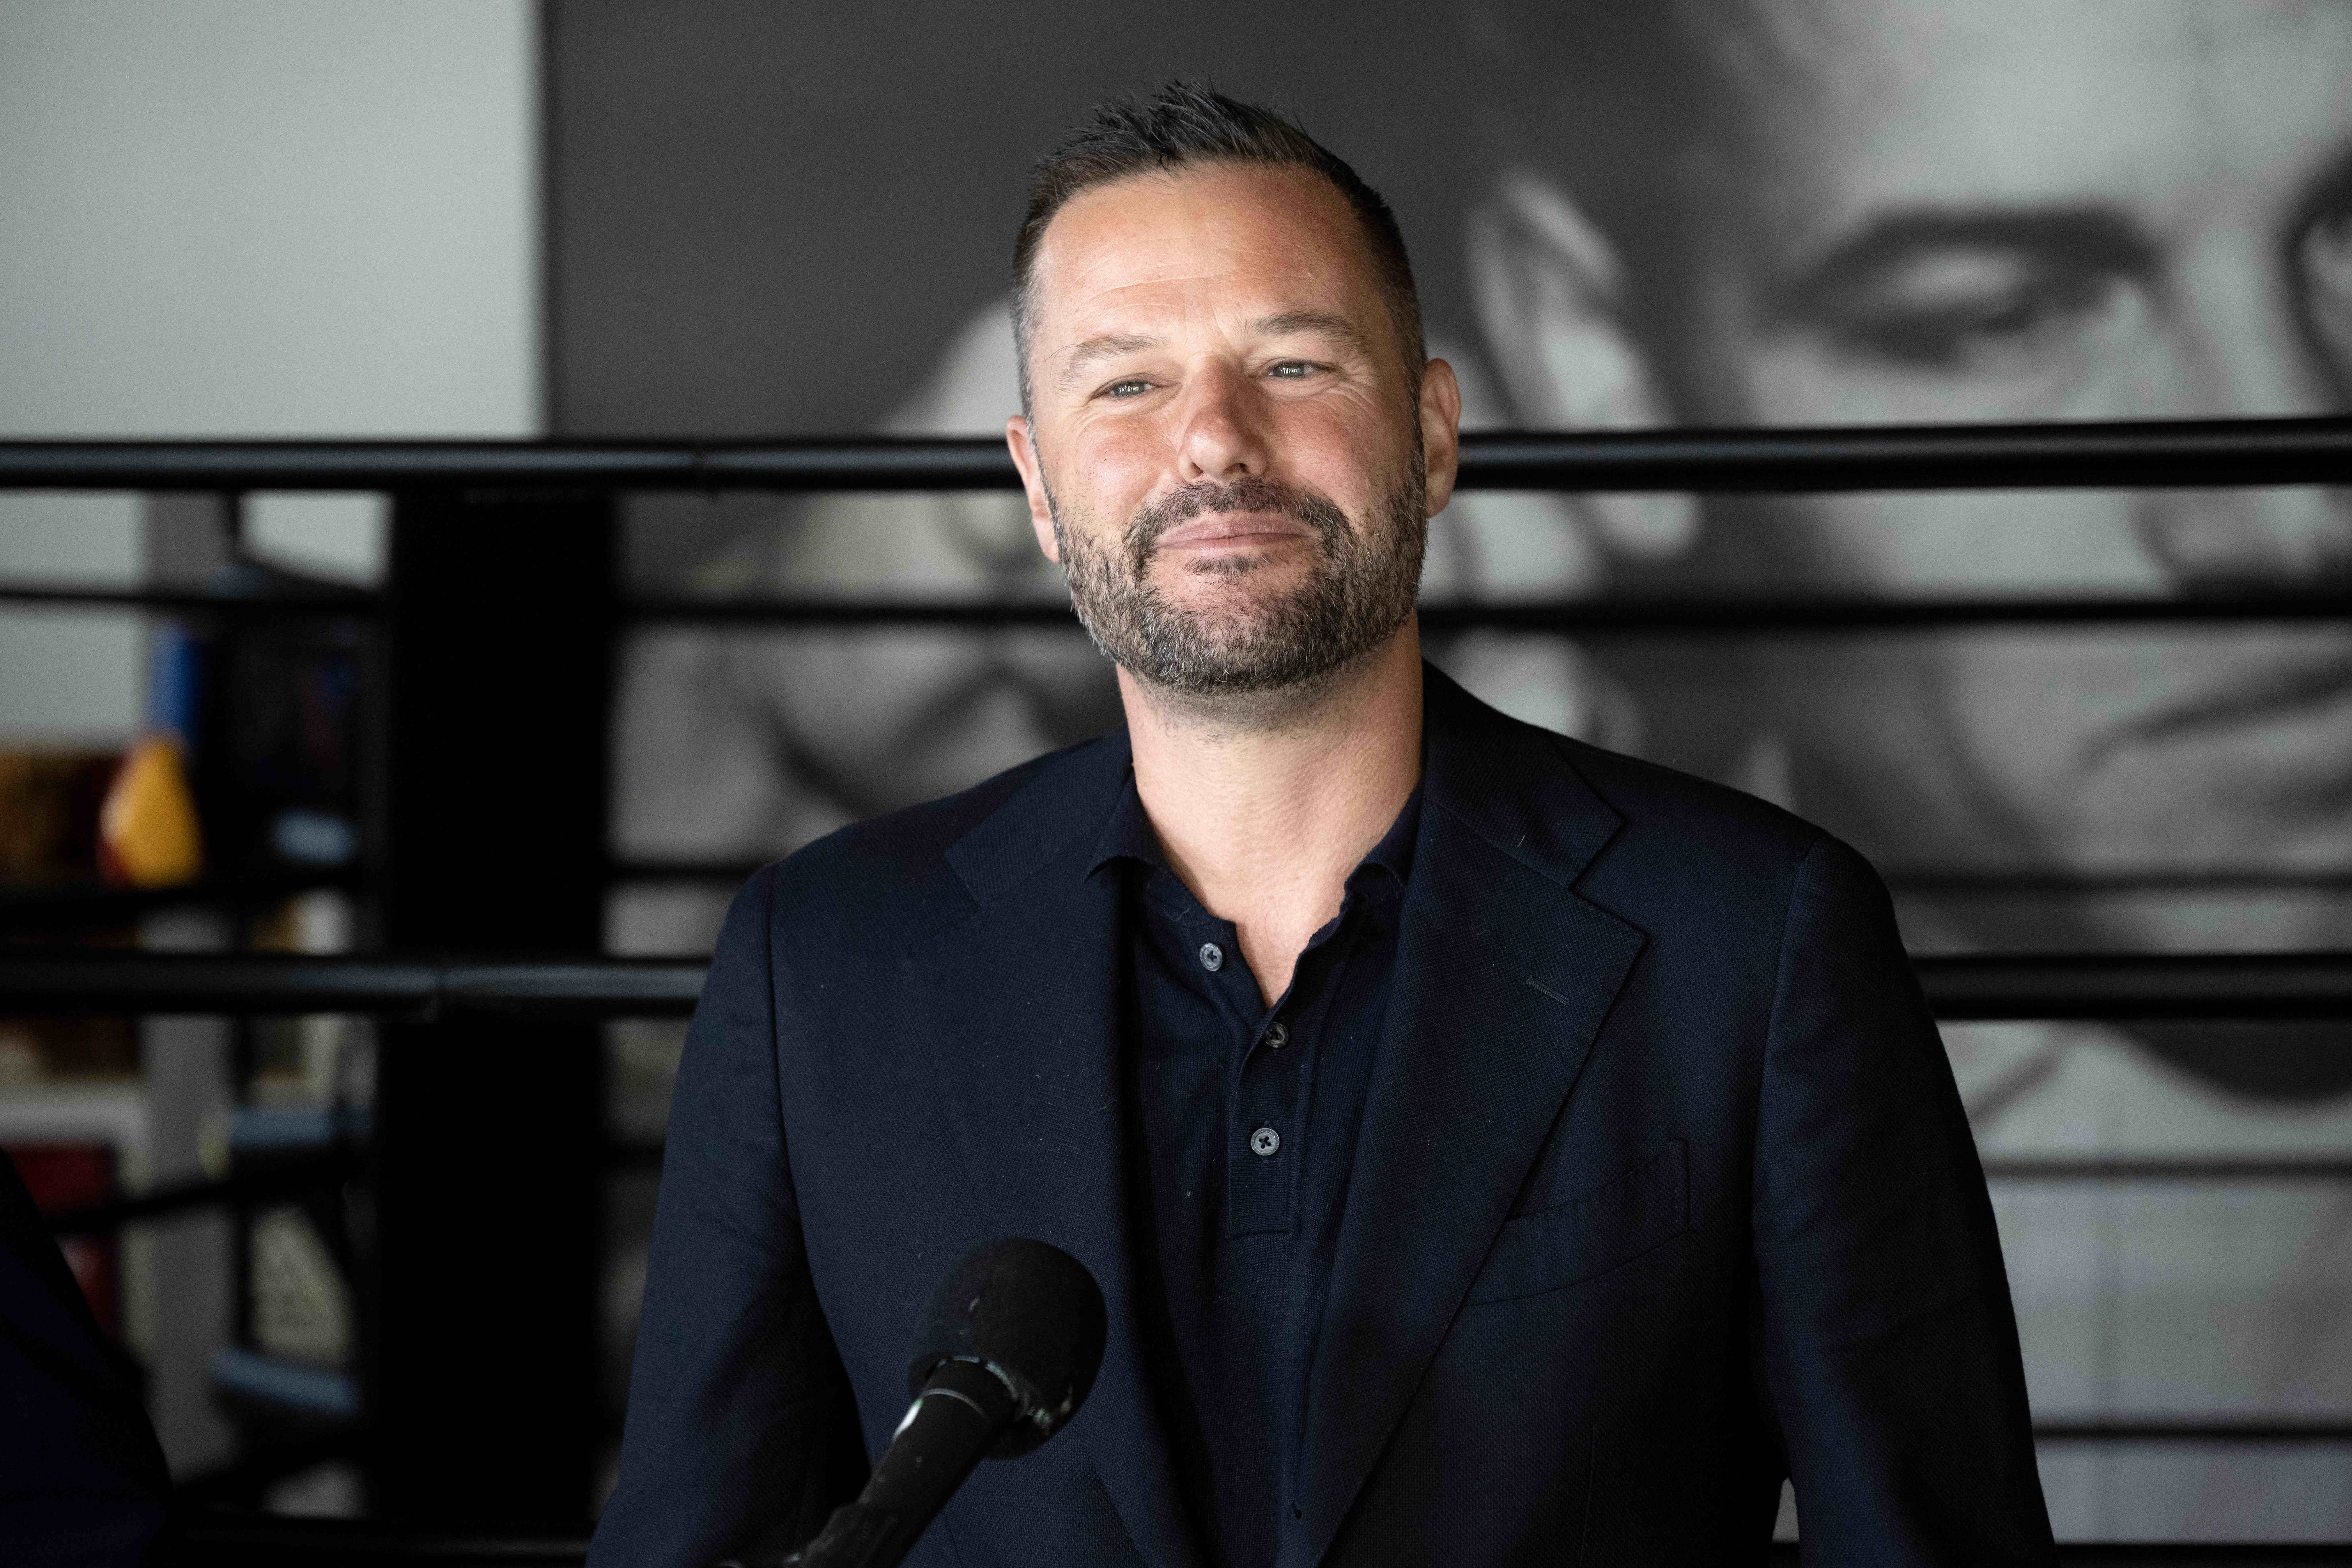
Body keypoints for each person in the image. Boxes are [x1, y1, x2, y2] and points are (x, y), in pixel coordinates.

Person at [592, 84, 2052, 1567]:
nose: (1214, 442)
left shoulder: (1755, 940)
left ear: (1429, 435)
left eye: (1291, 362)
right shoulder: (821, 966)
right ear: (1038, 488)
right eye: (1125, 385)